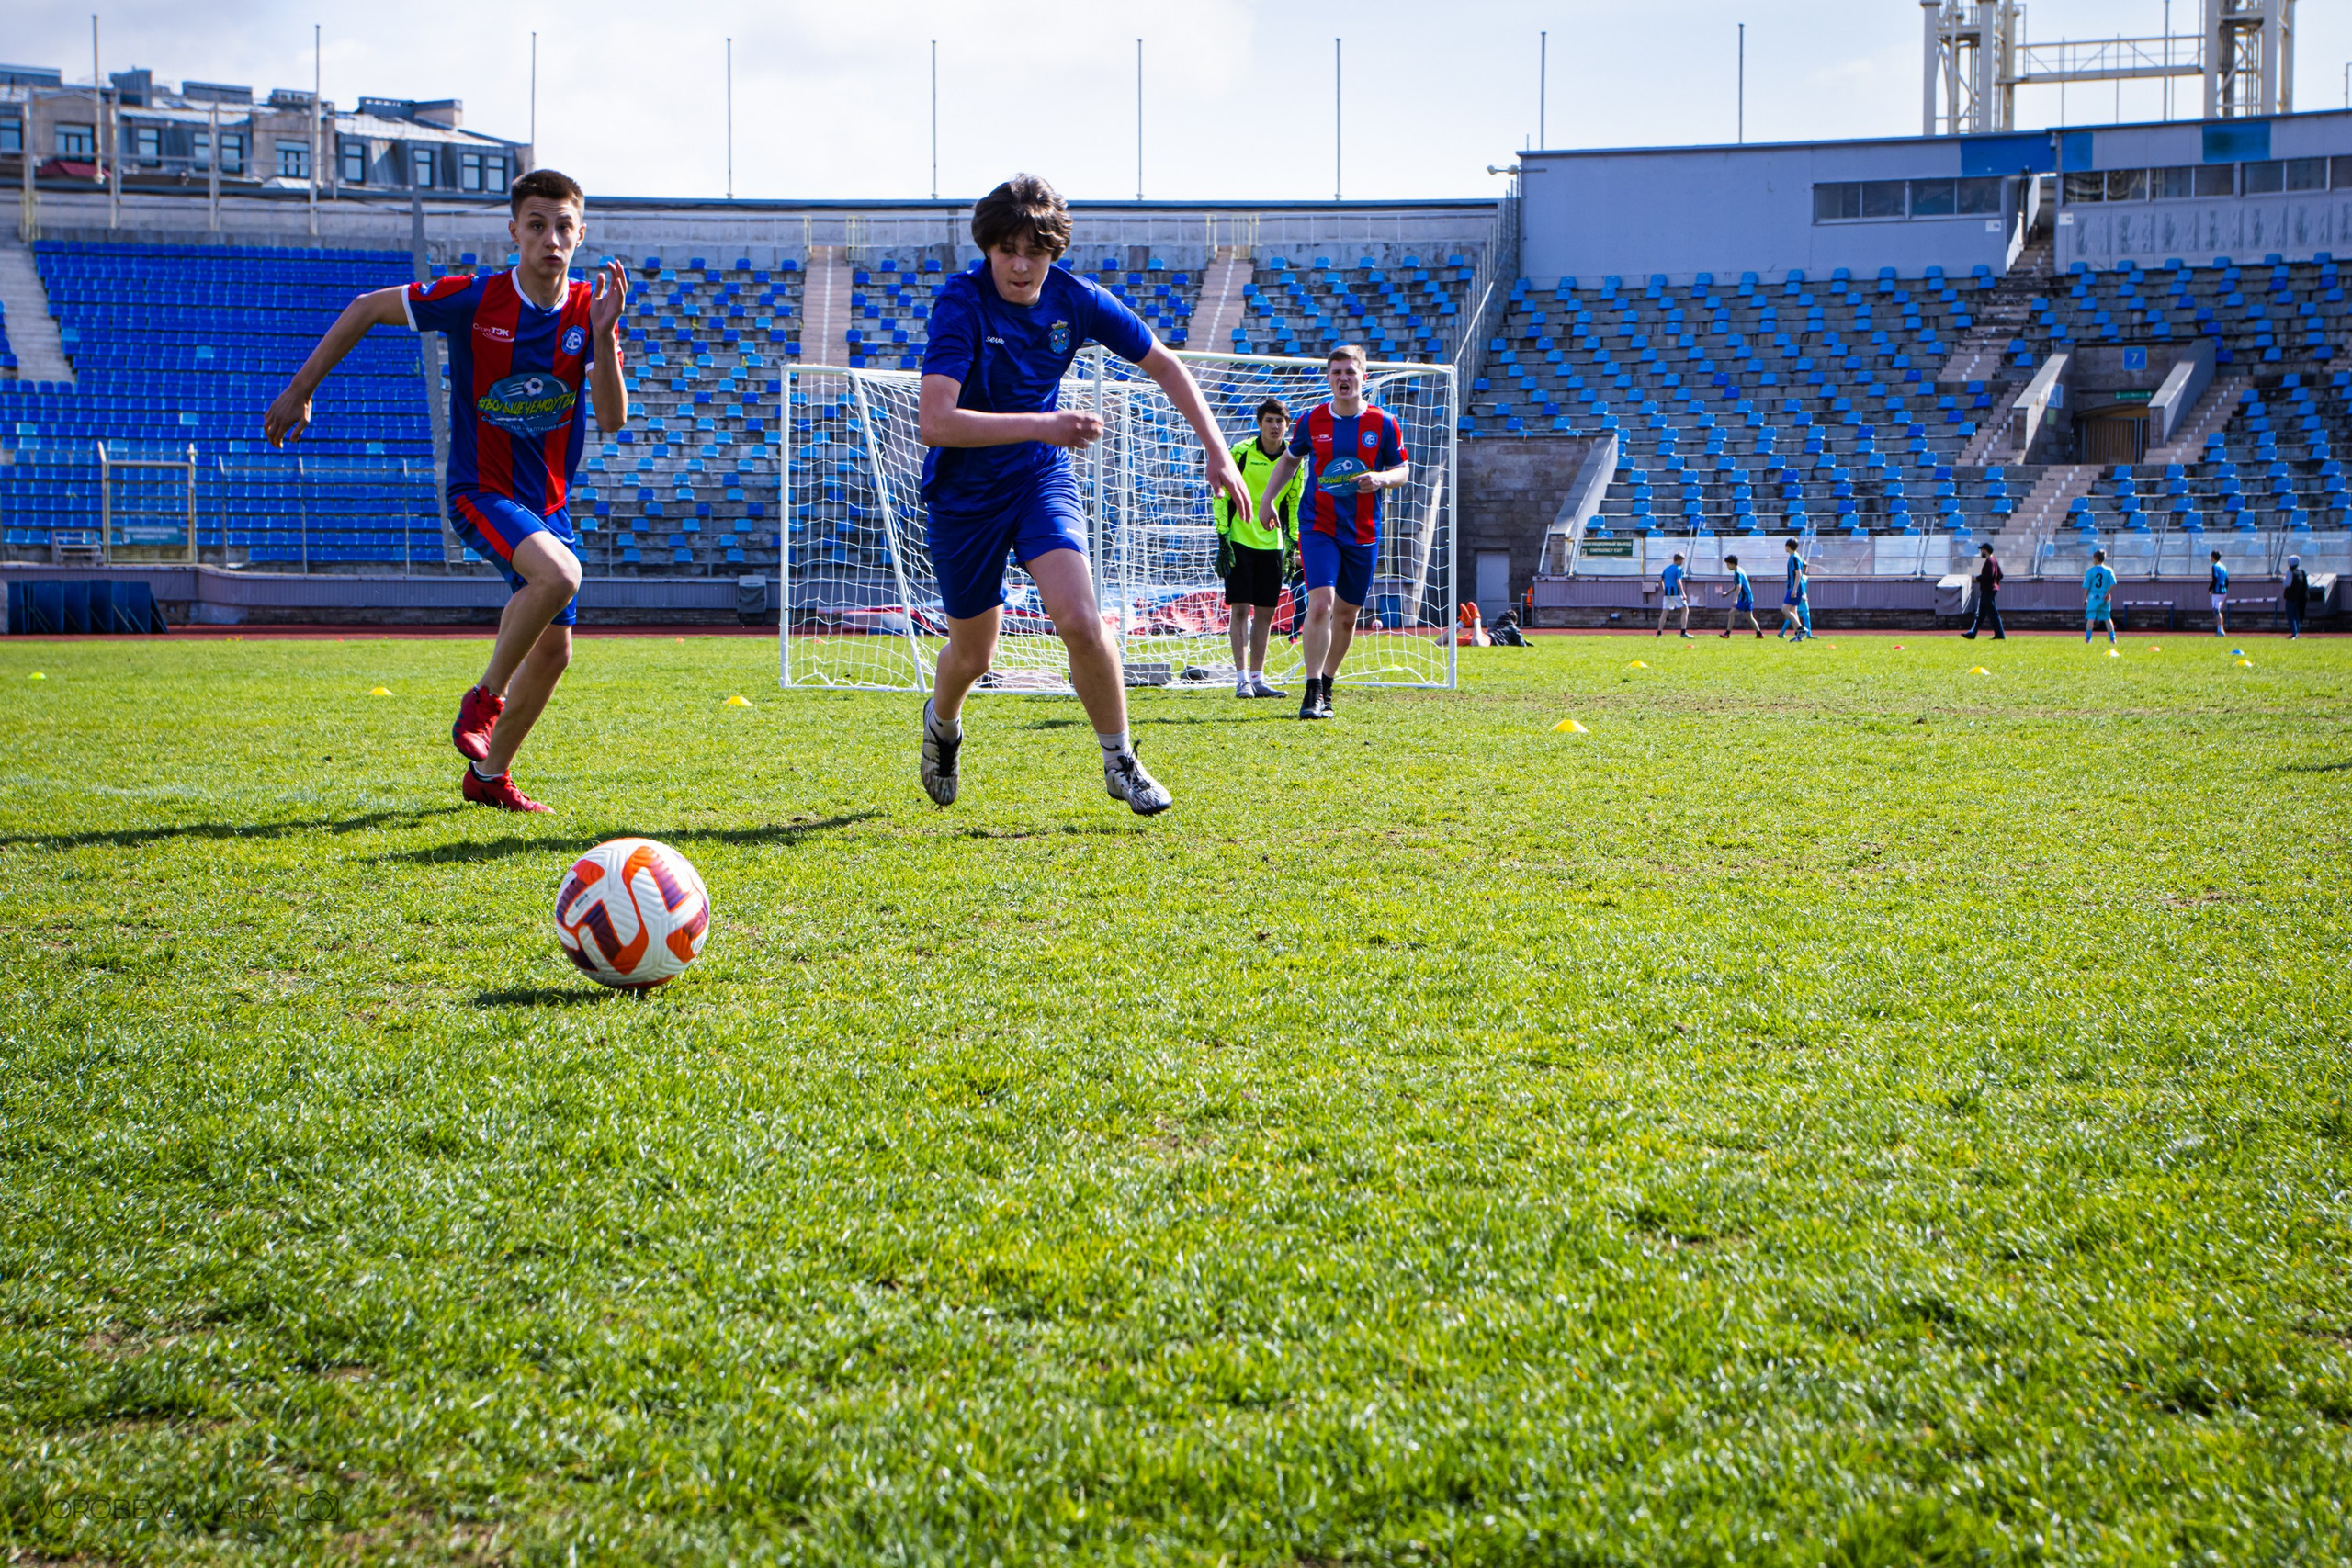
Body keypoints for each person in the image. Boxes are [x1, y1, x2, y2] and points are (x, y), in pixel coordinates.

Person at [265, 169, 628, 814]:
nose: (551, 238)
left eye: (564, 226)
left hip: (546, 504)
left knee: (556, 649)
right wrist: (302, 388)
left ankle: (489, 776)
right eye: (537, 225)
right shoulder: (476, 298)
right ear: (514, 230)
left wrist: (603, 335)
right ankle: (484, 698)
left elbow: (610, 419)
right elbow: (365, 307)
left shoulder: (588, 310)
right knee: (561, 576)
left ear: (580, 233)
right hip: (480, 491)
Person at [913, 175, 1252, 816]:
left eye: (1033, 252)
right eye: (1007, 249)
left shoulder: (1078, 300)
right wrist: (1046, 423)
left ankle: (1120, 759)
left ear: (1053, 252)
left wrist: (1215, 448)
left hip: (1040, 478)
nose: (1019, 265)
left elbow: (1166, 364)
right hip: (965, 494)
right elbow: (935, 421)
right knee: (973, 654)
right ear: (988, 247)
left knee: (1081, 619)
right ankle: (943, 724)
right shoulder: (961, 304)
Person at [1257, 344, 1410, 720]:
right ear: (1328, 378)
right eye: (1337, 372)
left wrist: (1381, 478)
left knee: (1346, 616)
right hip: (1318, 525)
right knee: (1321, 603)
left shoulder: (1383, 423)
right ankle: (1310, 691)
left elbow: (1403, 470)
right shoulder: (1312, 420)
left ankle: (1327, 682)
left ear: (1363, 377)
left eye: (1350, 372)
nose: (1344, 378)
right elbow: (1290, 461)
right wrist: (1268, 500)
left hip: (1362, 530)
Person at [1216, 398, 1304, 697]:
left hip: (1273, 544)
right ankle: (1241, 678)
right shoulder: (1240, 452)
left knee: (1266, 612)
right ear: (1260, 423)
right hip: (1240, 541)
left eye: (1280, 421)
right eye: (1269, 420)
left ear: (1287, 425)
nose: (1275, 426)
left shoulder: (1294, 458)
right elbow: (1222, 495)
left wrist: (1292, 541)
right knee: (1240, 608)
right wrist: (1222, 536)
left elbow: (1294, 501)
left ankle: (1257, 677)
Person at [1963, 542, 2005, 640]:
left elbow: (1989, 576)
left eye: (1982, 550)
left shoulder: (1989, 562)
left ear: (1985, 550)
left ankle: (2000, 635)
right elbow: (2000, 575)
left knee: (1993, 613)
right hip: (1991, 589)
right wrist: (1996, 582)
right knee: (1981, 614)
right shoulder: (1994, 561)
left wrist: (1977, 579)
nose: (1981, 552)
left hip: (1988, 590)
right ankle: (1973, 633)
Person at [1719, 552, 1763, 638]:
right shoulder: (1740, 570)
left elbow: (1739, 586)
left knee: (1731, 613)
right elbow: (1737, 586)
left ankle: (1727, 634)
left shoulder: (1737, 573)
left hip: (1744, 598)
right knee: (1749, 617)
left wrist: (1735, 599)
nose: (1727, 566)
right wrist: (1727, 593)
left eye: (1728, 564)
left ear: (1732, 564)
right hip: (1749, 598)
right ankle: (1759, 634)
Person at [1777, 538, 1815, 641]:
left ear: (1788, 546)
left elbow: (1798, 574)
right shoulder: (1794, 557)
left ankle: (1801, 629)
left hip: (1795, 588)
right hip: (1793, 587)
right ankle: (1798, 635)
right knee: (1793, 611)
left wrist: (1794, 590)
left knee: (1785, 609)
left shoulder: (1794, 558)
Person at [2083, 547, 2118, 645]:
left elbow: (2087, 587)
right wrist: (2108, 593)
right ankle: (2112, 639)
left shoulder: (2090, 571)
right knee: (2107, 618)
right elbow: (2113, 583)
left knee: (2091, 618)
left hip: (2093, 596)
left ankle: (2088, 639)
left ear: (2095, 558)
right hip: (2104, 596)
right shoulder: (2109, 570)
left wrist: (2085, 598)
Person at [1655, 551, 1692, 638]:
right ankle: (1683, 632)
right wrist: (1683, 593)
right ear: (1678, 560)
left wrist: (1663, 590)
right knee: (1685, 610)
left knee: (1665, 612)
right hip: (1675, 593)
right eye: (1682, 560)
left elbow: (1660, 581)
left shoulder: (1667, 569)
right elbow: (1678, 581)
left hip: (1667, 593)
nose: (1683, 562)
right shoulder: (1678, 569)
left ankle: (1659, 633)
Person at [2283, 554, 2309, 638]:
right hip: (2299, 597)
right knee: (2296, 615)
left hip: (2291, 597)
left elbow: (2286, 584)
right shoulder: (2301, 571)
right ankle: (2297, 631)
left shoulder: (2290, 572)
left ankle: (2294, 633)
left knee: (2290, 614)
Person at [2209, 549, 2230, 637]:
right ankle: (2219, 629)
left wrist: (2210, 588)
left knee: (2216, 610)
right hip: (2223, 591)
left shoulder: (2215, 567)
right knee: (2217, 610)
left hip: (2217, 592)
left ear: (2213, 557)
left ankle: (2220, 630)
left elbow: (2215, 579)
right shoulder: (2224, 567)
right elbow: (2227, 580)